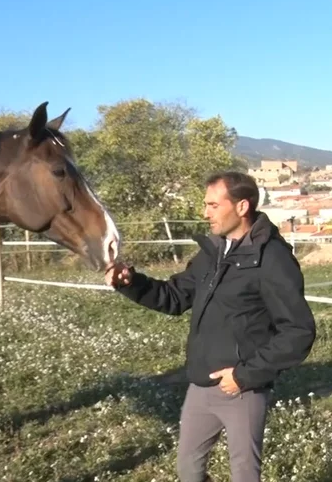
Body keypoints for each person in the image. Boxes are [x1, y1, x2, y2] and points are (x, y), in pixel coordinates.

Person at [105, 171, 316, 482]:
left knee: (245, 476)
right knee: (188, 471)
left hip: (242, 390)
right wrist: (132, 283)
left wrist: (245, 375)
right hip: (200, 385)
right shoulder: (214, 252)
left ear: (242, 207)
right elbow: (174, 297)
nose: (205, 213)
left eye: (213, 205)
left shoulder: (272, 259)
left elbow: (298, 332)